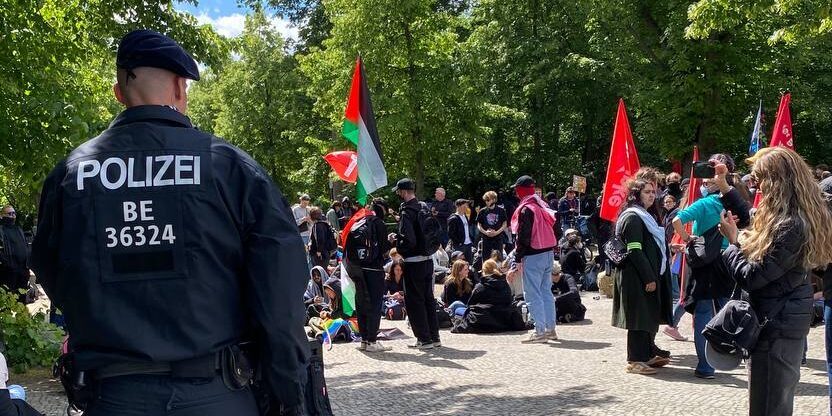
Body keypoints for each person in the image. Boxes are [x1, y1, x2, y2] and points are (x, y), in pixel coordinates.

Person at [30, 30, 309, 415]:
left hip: (113, 395)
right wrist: (289, 388)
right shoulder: (226, 166)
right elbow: (280, 289)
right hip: (217, 393)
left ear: (118, 93)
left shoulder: (71, 175)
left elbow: (49, 268)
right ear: (180, 88)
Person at [718, 147, 832, 416]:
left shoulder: (791, 225)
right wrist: (725, 187)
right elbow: (751, 218)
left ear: (778, 180)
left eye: (761, 179)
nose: (758, 186)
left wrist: (733, 243)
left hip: (777, 326)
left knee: (769, 408)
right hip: (778, 322)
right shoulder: (793, 217)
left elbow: (753, 277)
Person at [671, 154, 736, 379]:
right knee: (728, 310)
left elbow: (676, 220)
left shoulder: (704, 203)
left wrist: (687, 238)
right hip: (729, 260)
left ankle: (706, 366)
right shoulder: (734, 202)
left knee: (703, 313)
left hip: (705, 265)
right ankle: (731, 355)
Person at [612, 179, 673, 375]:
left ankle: (646, 354)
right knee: (638, 318)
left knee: (647, 314)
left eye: (653, 192)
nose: (651, 195)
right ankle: (635, 360)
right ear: (636, 194)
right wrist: (648, 277)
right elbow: (635, 250)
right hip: (635, 276)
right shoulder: (633, 217)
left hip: (645, 274)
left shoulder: (644, 216)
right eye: (647, 192)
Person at [389, 178, 441, 349]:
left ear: (403, 192)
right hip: (428, 260)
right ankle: (434, 337)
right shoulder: (423, 208)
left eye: (398, 191)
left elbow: (408, 241)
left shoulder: (406, 212)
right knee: (428, 299)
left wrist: (397, 242)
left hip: (413, 262)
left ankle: (423, 339)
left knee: (414, 301)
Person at [511, 175, 558, 343]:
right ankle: (550, 329)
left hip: (533, 254)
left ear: (520, 191)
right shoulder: (542, 205)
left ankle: (539, 331)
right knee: (546, 292)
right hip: (548, 253)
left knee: (532, 294)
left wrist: (517, 257)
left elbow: (523, 236)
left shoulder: (526, 209)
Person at [344, 200, 392, 353]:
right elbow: (384, 249)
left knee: (362, 302)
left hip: (358, 268)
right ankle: (372, 340)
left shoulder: (358, 222)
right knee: (375, 304)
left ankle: (364, 339)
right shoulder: (379, 224)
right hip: (374, 269)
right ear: (382, 209)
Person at [450, 257, 527, 334]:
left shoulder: (480, 286)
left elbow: (470, 304)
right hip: (503, 319)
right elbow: (509, 301)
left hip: (483, 319)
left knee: (457, 307)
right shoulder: (505, 284)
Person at [0, 206, 30, 303]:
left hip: (23, 270)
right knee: (6, 300)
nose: (12, 216)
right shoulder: (1, 230)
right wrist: (7, 264)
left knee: (22, 300)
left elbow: (25, 245)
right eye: (9, 214)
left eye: (14, 213)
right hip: (8, 271)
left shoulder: (19, 229)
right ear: (1, 216)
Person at [477, 191, 507, 261]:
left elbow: (504, 224)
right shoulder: (482, 211)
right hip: (486, 238)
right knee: (486, 259)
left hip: (498, 238)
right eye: (485, 200)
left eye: (488, 200)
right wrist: (485, 232)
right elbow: (479, 224)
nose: (486, 202)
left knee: (499, 258)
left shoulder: (501, 210)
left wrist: (496, 232)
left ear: (494, 199)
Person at [448, 199, 475, 263]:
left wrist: (471, 240)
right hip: (460, 245)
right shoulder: (453, 218)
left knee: (469, 263)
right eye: (464, 206)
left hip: (468, 244)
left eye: (466, 206)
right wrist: (459, 242)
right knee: (459, 264)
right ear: (458, 206)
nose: (466, 207)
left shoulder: (465, 216)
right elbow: (450, 233)